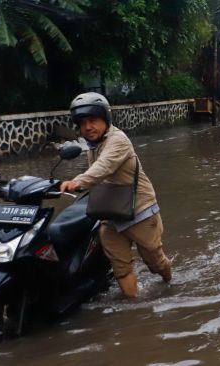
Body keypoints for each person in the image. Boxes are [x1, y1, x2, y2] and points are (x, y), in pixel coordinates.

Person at [60, 92, 172, 298]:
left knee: (155, 263)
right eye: (83, 123)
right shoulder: (92, 148)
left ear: (106, 119)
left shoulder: (118, 140)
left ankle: (169, 283)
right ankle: (135, 306)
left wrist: (78, 182)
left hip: (140, 211)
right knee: (120, 267)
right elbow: (97, 176)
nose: (87, 127)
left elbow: (103, 168)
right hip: (111, 214)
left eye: (93, 120)